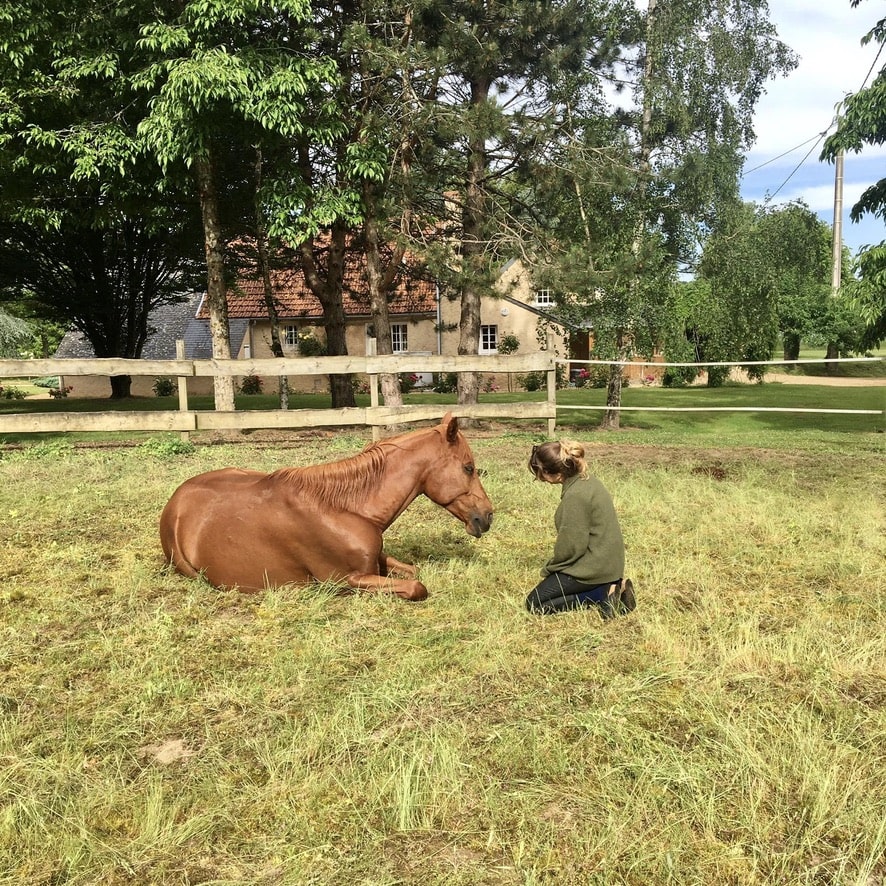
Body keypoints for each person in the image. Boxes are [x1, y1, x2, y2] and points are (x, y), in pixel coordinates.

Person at [526, 440, 636, 617]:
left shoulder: (575, 496)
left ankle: (603, 594)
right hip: (609, 563)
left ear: (554, 473)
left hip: (594, 567)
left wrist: (551, 568)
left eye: (540, 472)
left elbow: (572, 547)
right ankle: (613, 587)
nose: (540, 477)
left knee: (535, 604)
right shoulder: (589, 481)